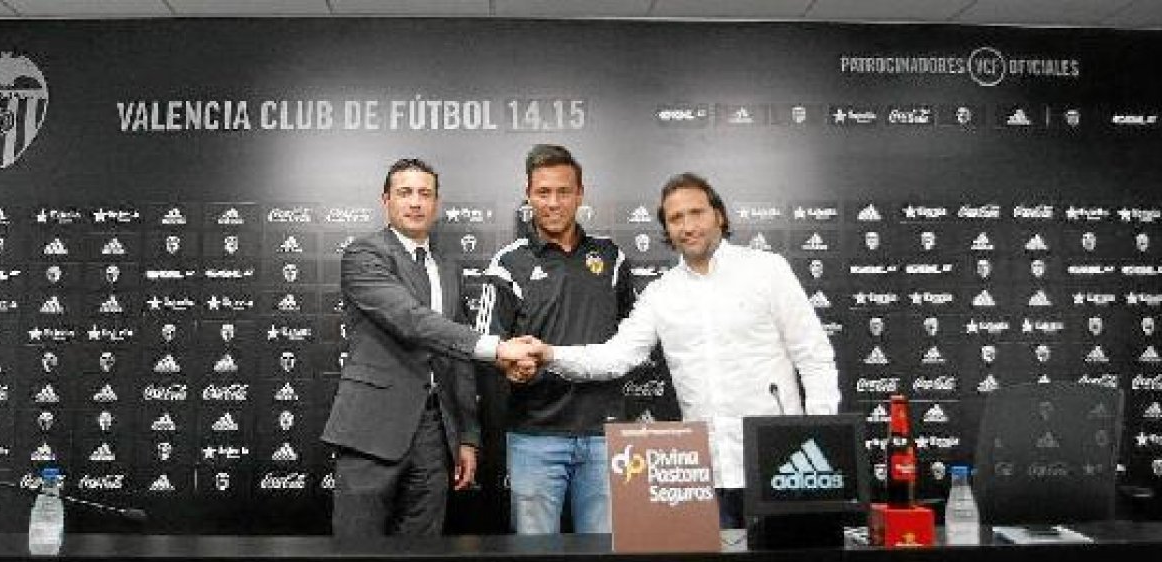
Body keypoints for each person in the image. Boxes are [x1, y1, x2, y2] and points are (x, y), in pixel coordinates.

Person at [519, 172, 840, 528]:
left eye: (696, 213)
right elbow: (615, 356)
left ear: (719, 215)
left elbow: (814, 356)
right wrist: (550, 354)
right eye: (675, 218)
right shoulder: (661, 294)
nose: (687, 226)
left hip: (780, 464)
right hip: (704, 474)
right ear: (667, 230)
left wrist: (819, 435)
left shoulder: (767, 270)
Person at [322, 157, 534, 539]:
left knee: (423, 553)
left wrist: (466, 438)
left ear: (436, 203)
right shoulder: (363, 254)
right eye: (405, 193)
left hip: (436, 431)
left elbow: (458, 355)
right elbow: (411, 320)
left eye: (425, 194)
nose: (415, 202)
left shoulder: (448, 267)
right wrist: (498, 349)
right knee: (356, 555)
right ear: (386, 200)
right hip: (371, 428)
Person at [473, 144, 634, 534]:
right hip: (535, 437)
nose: (553, 203)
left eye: (564, 192)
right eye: (543, 192)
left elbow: (633, 340)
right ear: (528, 195)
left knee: (603, 557)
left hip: (604, 435)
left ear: (580, 194)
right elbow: (484, 344)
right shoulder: (507, 263)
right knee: (535, 558)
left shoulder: (612, 258)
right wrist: (508, 366)